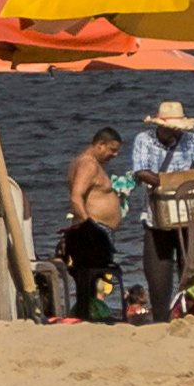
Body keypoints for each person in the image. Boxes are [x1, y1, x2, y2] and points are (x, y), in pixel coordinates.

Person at [121, 100, 194, 317]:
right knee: (158, 277)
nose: (174, 134)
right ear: (160, 126)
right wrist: (168, 182)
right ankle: (161, 319)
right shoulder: (144, 140)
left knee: (192, 272)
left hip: (186, 215)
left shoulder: (190, 140)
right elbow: (141, 171)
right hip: (158, 217)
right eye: (170, 129)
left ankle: (190, 316)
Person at [58, 125, 129, 321]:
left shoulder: (83, 163)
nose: (114, 155)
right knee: (91, 277)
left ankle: (89, 312)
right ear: (99, 145)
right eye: (112, 150)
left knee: (91, 280)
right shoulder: (88, 164)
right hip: (93, 230)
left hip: (95, 229)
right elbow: (76, 197)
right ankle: (87, 315)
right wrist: (90, 226)